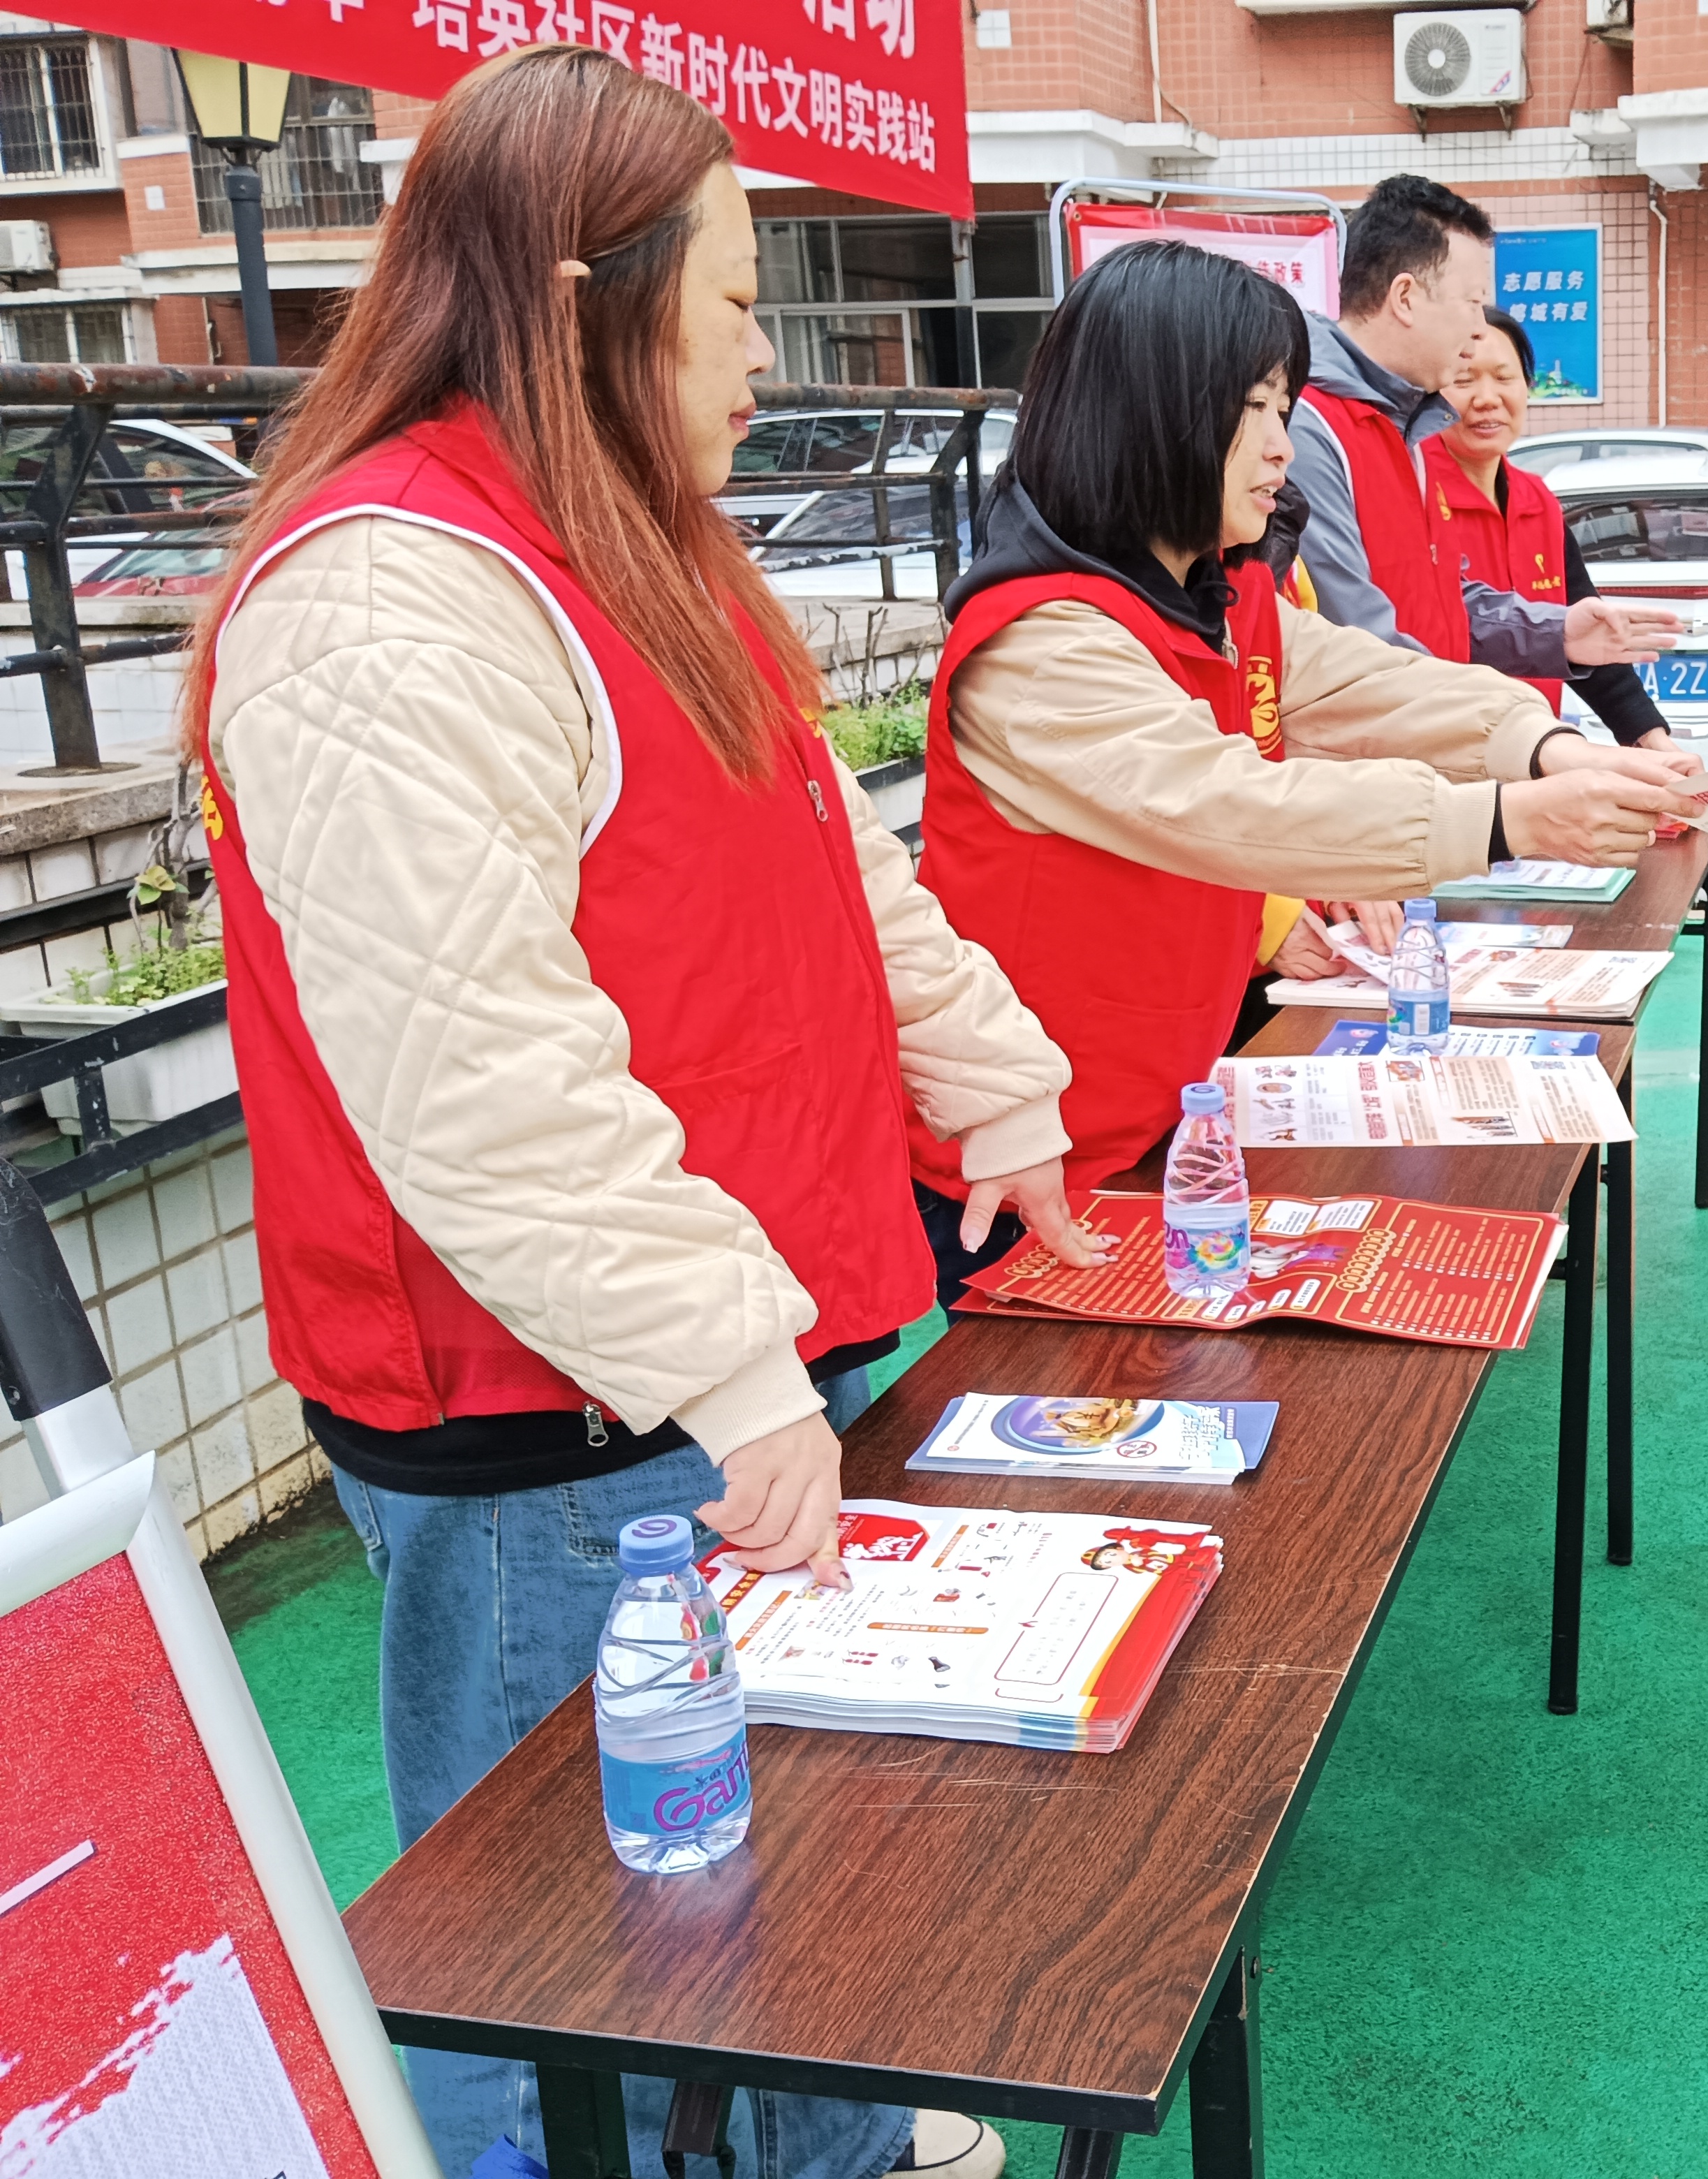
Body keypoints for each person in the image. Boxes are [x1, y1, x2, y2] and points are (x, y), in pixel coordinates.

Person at [188, 50, 1074, 2179]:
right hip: (558, 1416)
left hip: (733, 1347)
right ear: (594, 296)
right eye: (750, 298)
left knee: (768, 1857)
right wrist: (719, 1360)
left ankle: (818, 2138)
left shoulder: (643, 545)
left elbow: (830, 874)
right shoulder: (389, 594)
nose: (779, 350)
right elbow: (473, 1068)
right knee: (579, 1954)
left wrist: (1001, 1083)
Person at [909, 240, 1693, 1284]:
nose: (1282, 447)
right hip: (1034, 1148)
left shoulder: (1213, 598)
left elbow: (1376, 684)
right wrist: (1508, 820)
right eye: (1257, 410)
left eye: (1285, 410)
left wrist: (1543, 743)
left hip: (1155, 1110)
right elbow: (1234, 808)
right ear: (1155, 414)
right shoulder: (1043, 639)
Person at [1287, 173, 1679, 682]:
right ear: (1405, 297)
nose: (1480, 326)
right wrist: (1516, 728)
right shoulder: (1309, 427)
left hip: (1426, 744)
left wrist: (1555, 633)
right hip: (1371, 752)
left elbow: (1443, 602)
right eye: (1471, 302)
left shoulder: (1407, 423)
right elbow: (1355, 637)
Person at [1428, 304, 1679, 751]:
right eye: (1463, 381)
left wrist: (1650, 738)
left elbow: (1585, 629)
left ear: (1528, 387)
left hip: (1540, 755)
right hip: (1447, 757)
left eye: (1504, 378)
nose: (1486, 399)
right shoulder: (1413, 493)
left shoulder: (1537, 499)